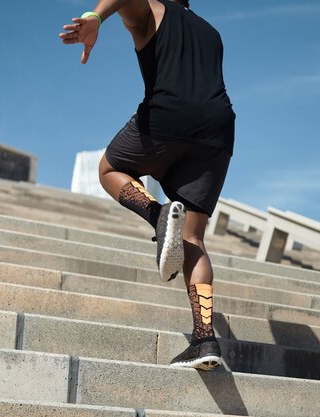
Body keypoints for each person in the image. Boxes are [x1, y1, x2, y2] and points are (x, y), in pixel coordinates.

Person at [60, 0, 235, 371]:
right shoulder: (211, 32)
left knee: (109, 168)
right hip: (218, 129)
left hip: (169, 116)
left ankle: (157, 214)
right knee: (193, 238)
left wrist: (95, 17)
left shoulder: (154, 11)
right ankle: (205, 339)